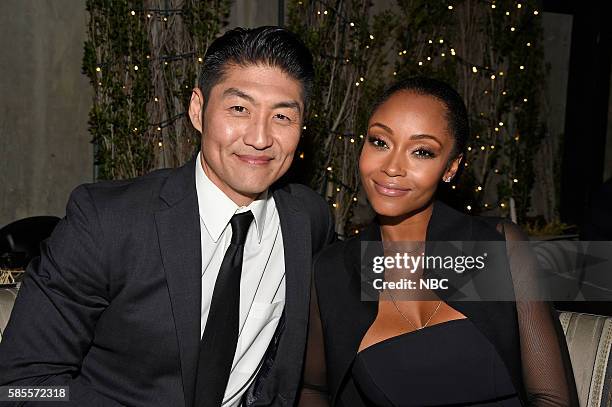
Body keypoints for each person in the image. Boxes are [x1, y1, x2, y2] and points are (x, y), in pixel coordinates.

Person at [0, 26, 335, 407]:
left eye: (282, 117)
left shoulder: (307, 220)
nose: (259, 138)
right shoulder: (107, 223)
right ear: (198, 109)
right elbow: (21, 385)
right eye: (239, 108)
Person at [299, 77, 578, 406]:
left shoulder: (497, 248)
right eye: (380, 142)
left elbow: (551, 398)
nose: (392, 167)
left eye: (421, 151)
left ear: (451, 167)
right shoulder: (333, 272)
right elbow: (314, 389)